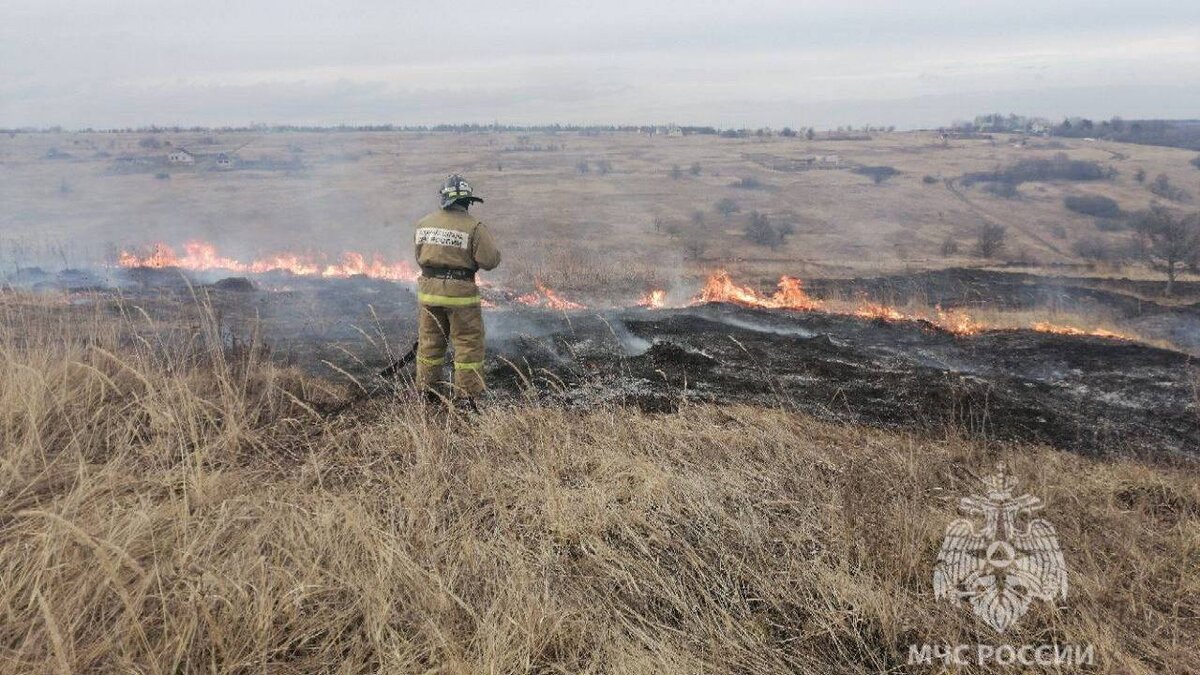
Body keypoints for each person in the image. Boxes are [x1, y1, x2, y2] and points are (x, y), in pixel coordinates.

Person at [413, 174, 501, 406]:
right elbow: (490, 260)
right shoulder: (474, 227)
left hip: (428, 293)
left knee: (430, 342)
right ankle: (467, 397)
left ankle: (426, 392)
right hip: (460, 296)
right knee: (467, 343)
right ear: (467, 201)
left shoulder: (424, 223)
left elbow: (419, 257)